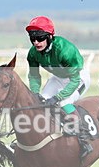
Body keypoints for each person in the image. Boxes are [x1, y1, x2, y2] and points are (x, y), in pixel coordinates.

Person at [25, 15, 93, 158]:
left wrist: (57, 97)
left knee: (63, 102)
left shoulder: (64, 50)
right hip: (58, 78)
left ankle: (84, 139)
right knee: (40, 102)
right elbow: (34, 76)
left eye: (40, 38)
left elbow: (74, 81)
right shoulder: (33, 53)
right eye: (33, 39)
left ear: (49, 36)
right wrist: (35, 92)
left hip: (78, 78)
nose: (36, 43)